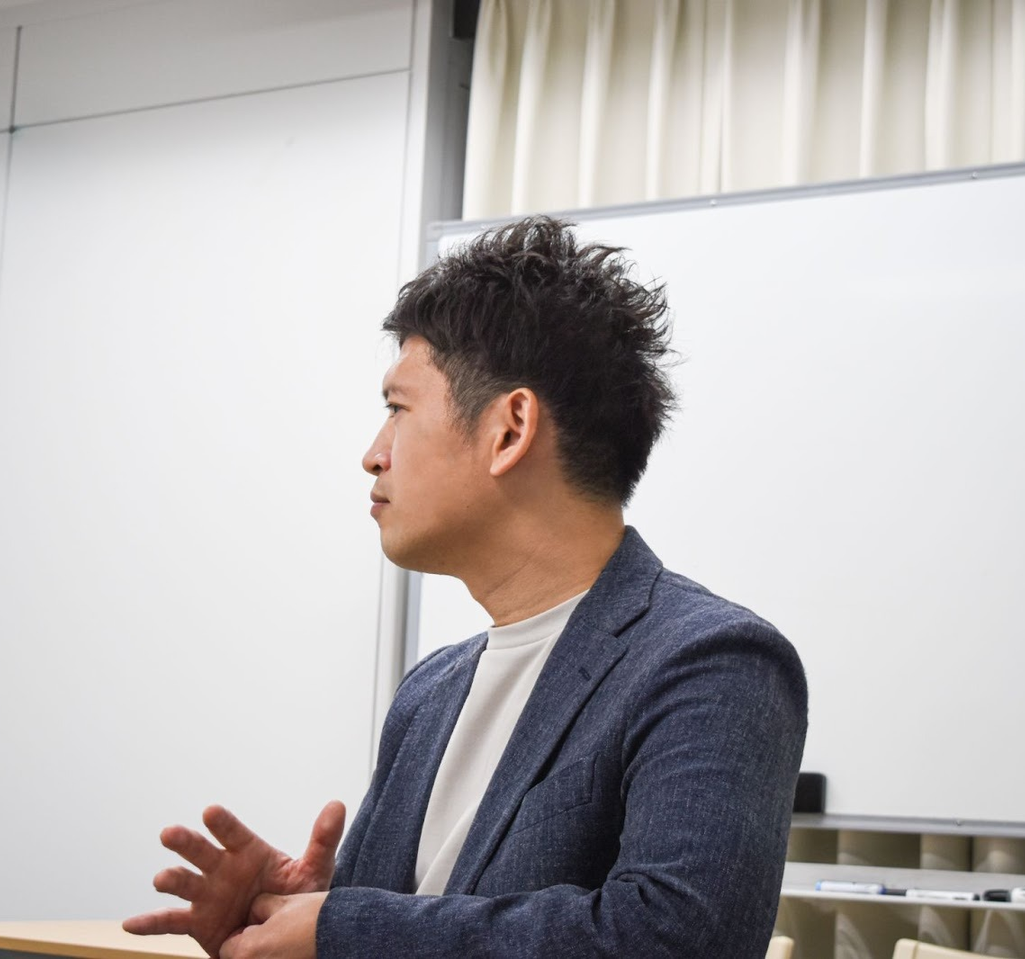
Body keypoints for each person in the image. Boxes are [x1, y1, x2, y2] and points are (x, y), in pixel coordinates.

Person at [123, 217, 808, 958]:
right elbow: (386, 934)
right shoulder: (429, 692)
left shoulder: (712, 662)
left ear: (510, 429)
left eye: (397, 409)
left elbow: (672, 939)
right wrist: (292, 916)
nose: (373, 454)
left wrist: (343, 925)